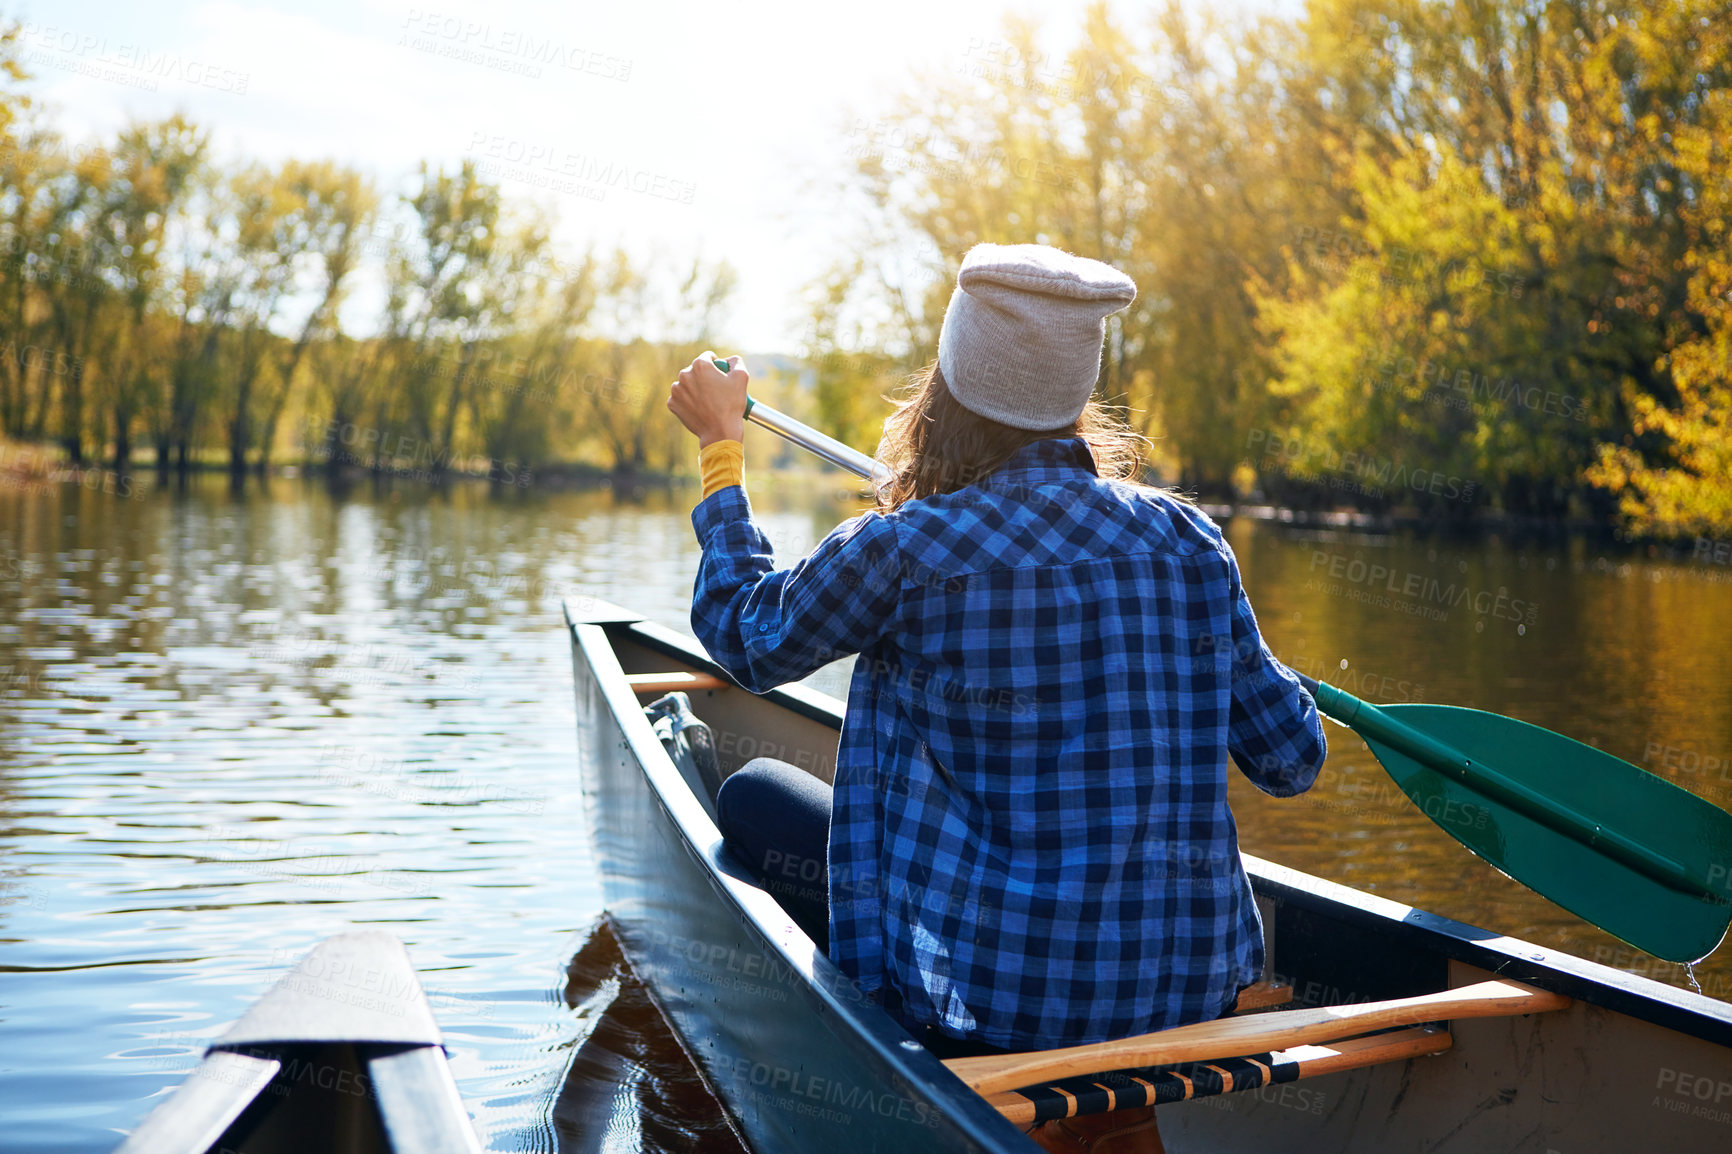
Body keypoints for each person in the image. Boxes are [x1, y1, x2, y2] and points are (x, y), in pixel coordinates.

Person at [667, 243, 1326, 1152]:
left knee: (747, 795)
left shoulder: (904, 546)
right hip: (1180, 991)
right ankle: (1114, 1123)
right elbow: (1293, 759)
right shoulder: (1193, 545)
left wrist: (721, 452)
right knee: (1108, 1041)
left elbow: (746, 632)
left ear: (951, 383)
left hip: (993, 1004)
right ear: (1076, 392)